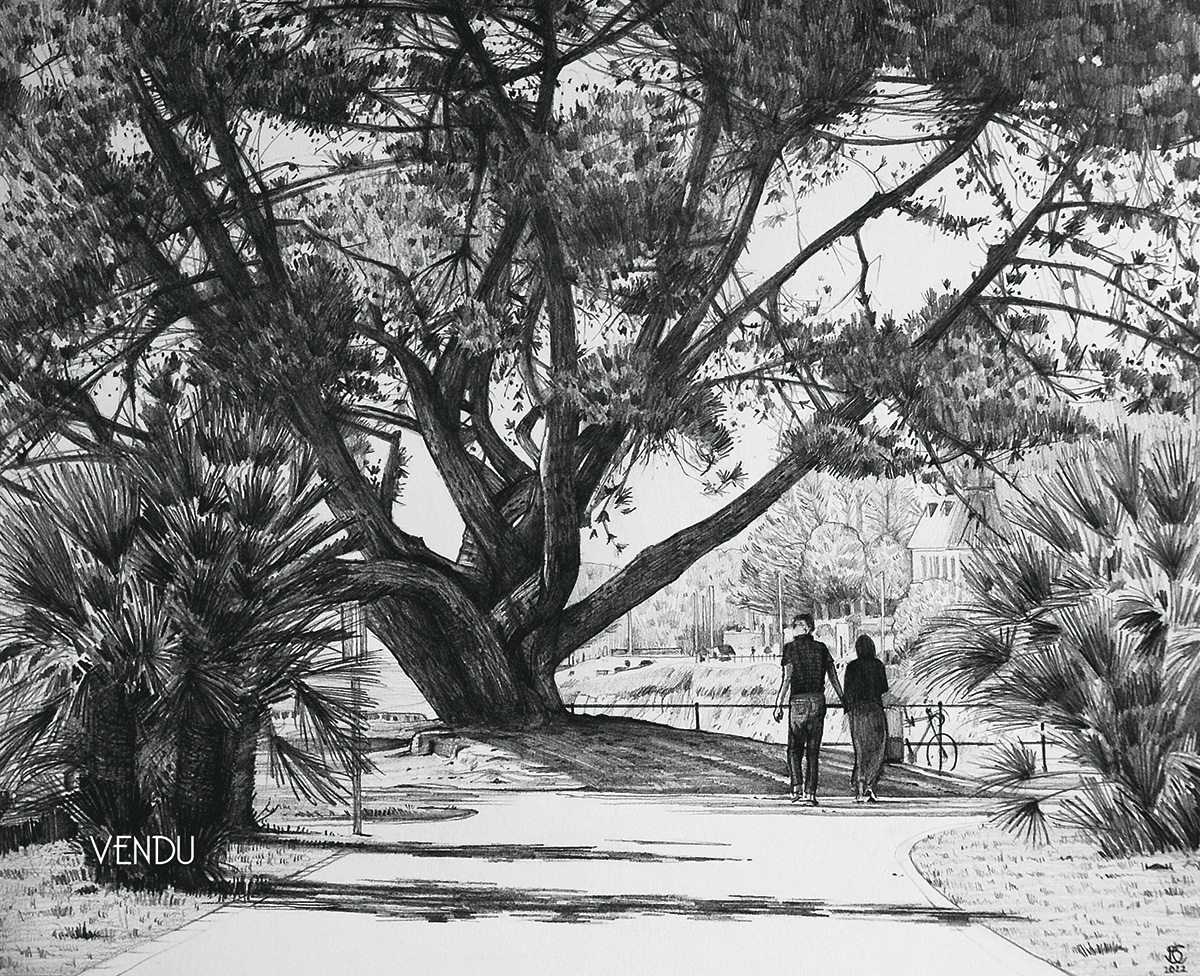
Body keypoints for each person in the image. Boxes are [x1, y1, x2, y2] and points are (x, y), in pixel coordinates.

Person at [773, 613, 844, 806]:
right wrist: (842, 698)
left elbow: (787, 678)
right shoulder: (821, 648)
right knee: (813, 750)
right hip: (818, 701)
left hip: (798, 702)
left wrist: (778, 704)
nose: (793, 628)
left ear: (806, 628)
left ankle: (796, 788)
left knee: (794, 748)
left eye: (796, 625)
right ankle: (810, 793)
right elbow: (833, 677)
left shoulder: (790, 648)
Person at [844, 634, 889, 803]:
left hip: (857, 711)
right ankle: (869, 785)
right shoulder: (878, 665)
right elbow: (883, 687)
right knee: (877, 749)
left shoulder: (852, 667)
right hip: (875, 709)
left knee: (861, 750)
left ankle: (859, 788)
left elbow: (847, 691)